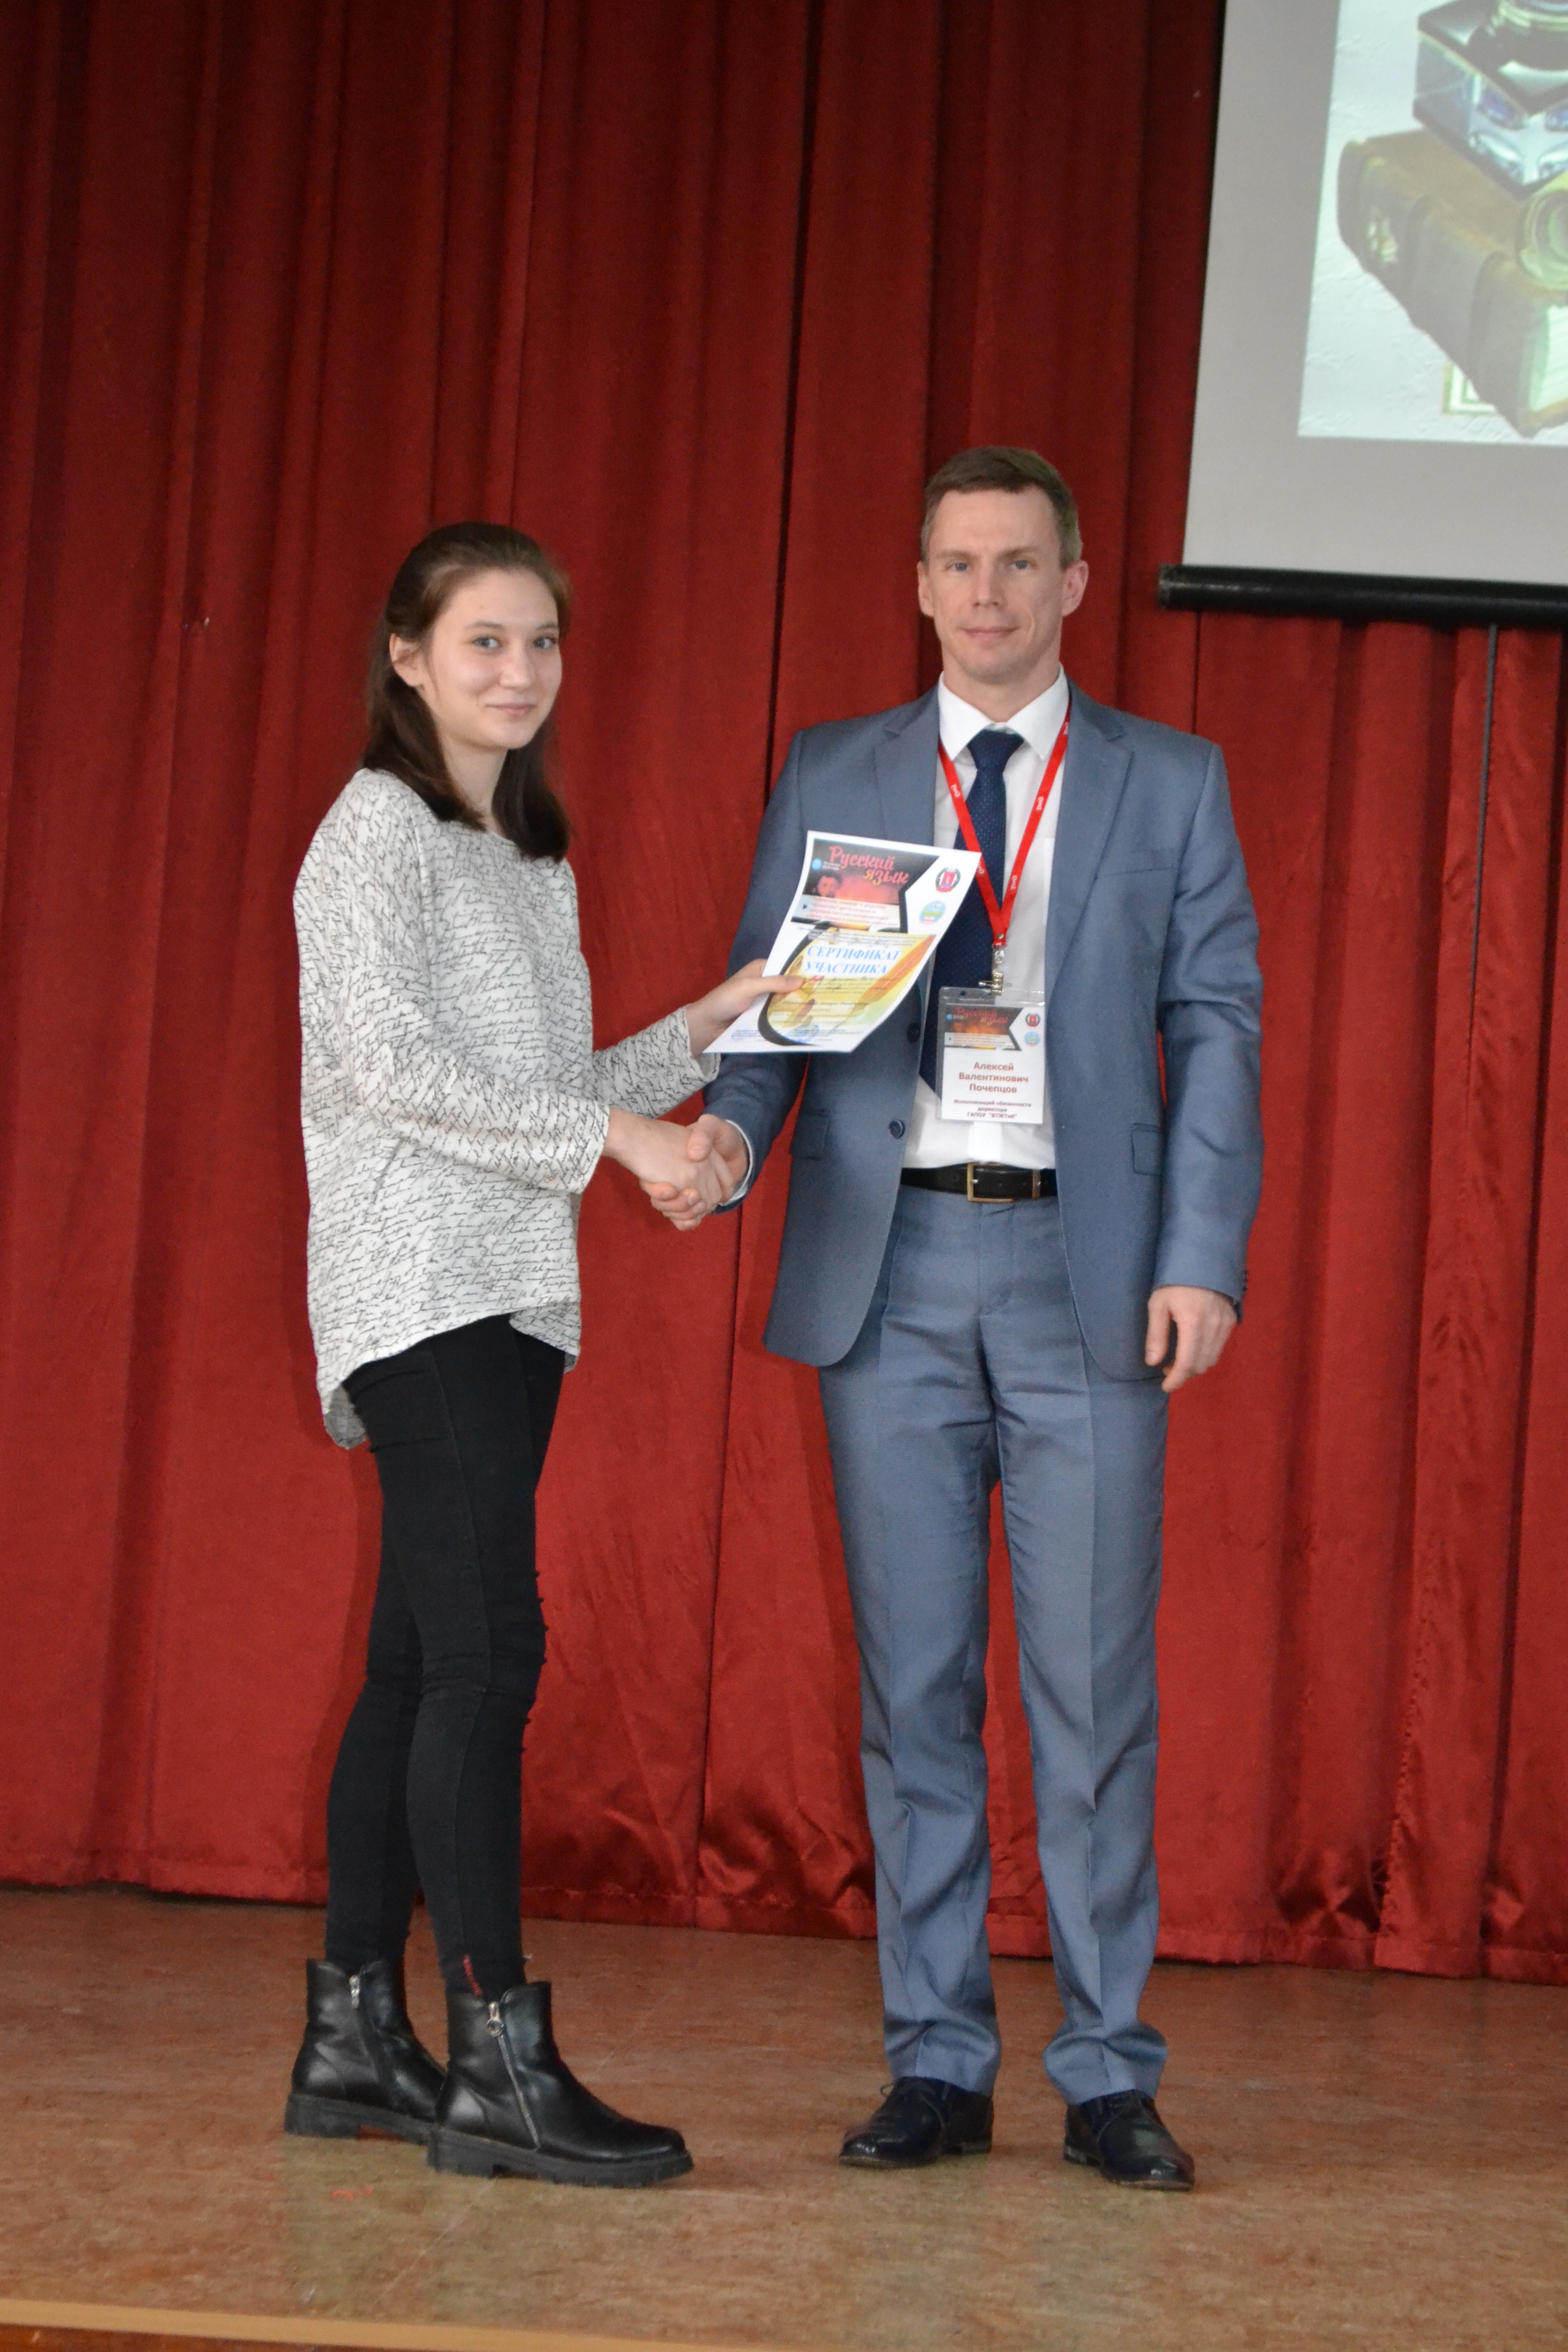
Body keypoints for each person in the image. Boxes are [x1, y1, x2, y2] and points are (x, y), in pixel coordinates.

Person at [648, 448, 1263, 2191]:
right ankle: (937, 2059)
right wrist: (728, 1141)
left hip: (1090, 1275)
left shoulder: (1171, 778)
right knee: (915, 1689)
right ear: (919, 584)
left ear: (1076, 582)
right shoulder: (835, 769)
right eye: (958, 563)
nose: (987, 593)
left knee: (1092, 1694)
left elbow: (1218, 1021)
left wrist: (1202, 1252)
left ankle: (1108, 2073)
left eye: (1018, 562)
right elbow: (780, 1009)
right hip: (893, 1271)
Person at [288, 521, 788, 2187]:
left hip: (512, 1293)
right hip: (417, 1284)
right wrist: (626, 1145)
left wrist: (711, 1024)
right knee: (491, 1658)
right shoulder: (373, 832)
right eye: (484, 642)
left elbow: (547, 1086)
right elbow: (394, 1071)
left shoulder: (521, 852)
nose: (520, 672)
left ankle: (356, 2042)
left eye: (542, 643)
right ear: (409, 660)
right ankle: (500, 2059)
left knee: (420, 1662)